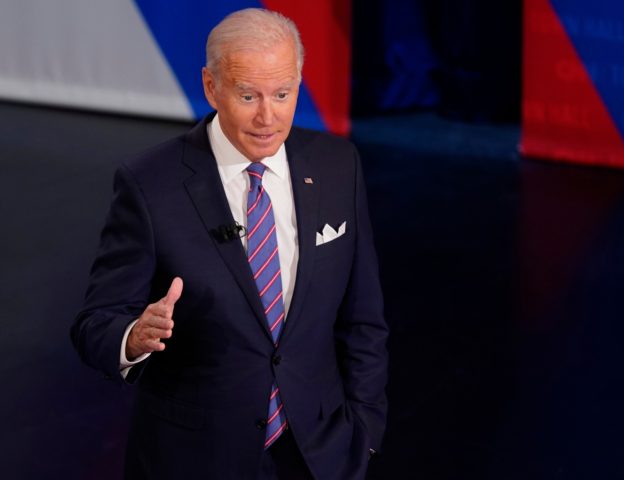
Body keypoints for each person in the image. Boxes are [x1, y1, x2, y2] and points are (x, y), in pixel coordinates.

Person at [71, 8, 388, 480]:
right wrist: (133, 337)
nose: (268, 116)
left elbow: (363, 319)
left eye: (282, 94)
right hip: (194, 459)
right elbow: (94, 323)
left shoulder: (338, 165)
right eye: (247, 96)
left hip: (319, 454)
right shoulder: (149, 184)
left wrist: (364, 431)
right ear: (210, 86)